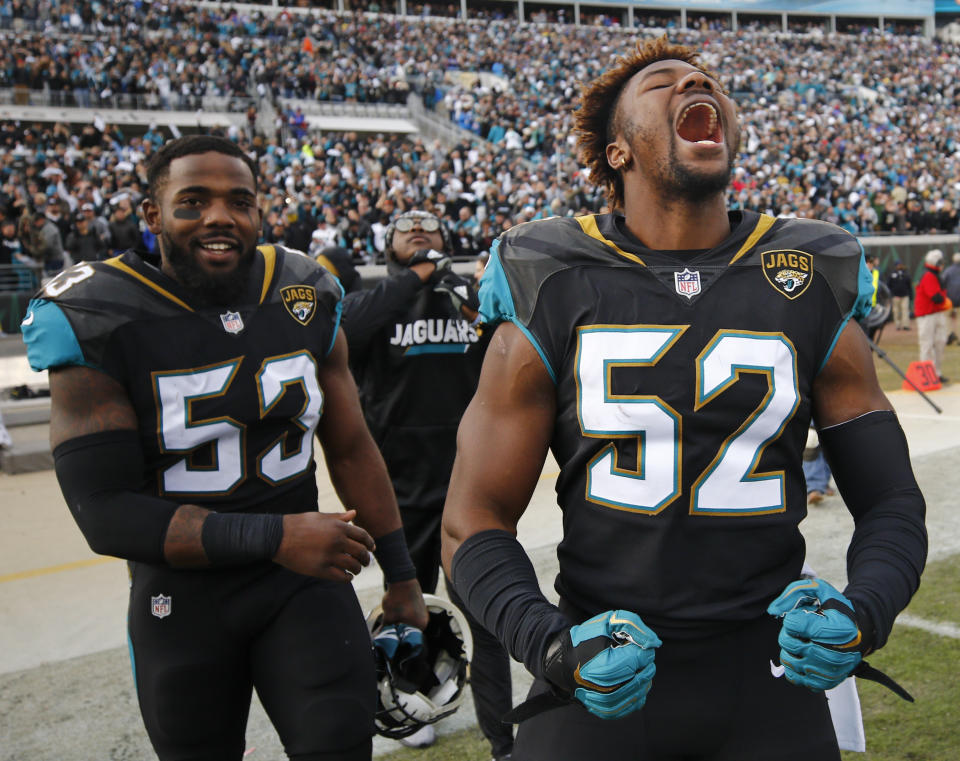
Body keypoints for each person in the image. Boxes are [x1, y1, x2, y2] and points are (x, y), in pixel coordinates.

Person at [441, 37, 927, 761]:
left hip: (768, 677)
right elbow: (470, 519)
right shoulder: (552, 275)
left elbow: (891, 499)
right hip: (598, 671)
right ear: (618, 153)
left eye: (706, 81)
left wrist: (865, 610)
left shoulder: (808, 269)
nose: (695, 82)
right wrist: (547, 644)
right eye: (662, 83)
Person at [20, 135, 427, 761]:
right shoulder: (98, 311)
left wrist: (401, 575)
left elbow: (349, 445)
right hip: (184, 598)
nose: (219, 216)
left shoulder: (303, 289)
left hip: (304, 585)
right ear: (152, 216)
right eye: (194, 201)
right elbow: (103, 510)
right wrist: (276, 536)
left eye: (240, 200)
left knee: (340, 747)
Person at [341, 209, 515, 760]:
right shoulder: (374, 299)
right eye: (404, 226)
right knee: (408, 610)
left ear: (448, 239)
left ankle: (503, 737)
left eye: (430, 226)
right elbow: (347, 331)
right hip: (397, 493)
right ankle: (414, 703)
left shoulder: (465, 292)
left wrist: (456, 284)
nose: (418, 230)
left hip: (468, 486)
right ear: (387, 245)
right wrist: (416, 276)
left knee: (485, 619)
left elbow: (503, 339)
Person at [914, 249, 952, 383]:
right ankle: (926, 375)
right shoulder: (929, 276)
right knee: (927, 344)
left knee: (940, 342)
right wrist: (945, 300)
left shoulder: (934, 275)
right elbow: (936, 297)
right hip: (927, 315)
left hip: (936, 313)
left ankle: (937, 373)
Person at [886, 259, 913, 331]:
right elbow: (888, 285)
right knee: (896, 311)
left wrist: (911, 296)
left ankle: (905, 325)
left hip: (905, 295)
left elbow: (909, 286)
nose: (899, 266)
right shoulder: (892, 274)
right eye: (898, 265)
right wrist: (891, 294)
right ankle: (897, 325)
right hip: (895, 296)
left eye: (900, 264)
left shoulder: (906, 274)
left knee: (905, 311)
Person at [940, 251, 960, 344]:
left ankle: (949, 334)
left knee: (945, 317)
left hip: (949, 299)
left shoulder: (948, 270)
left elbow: (942, 282)